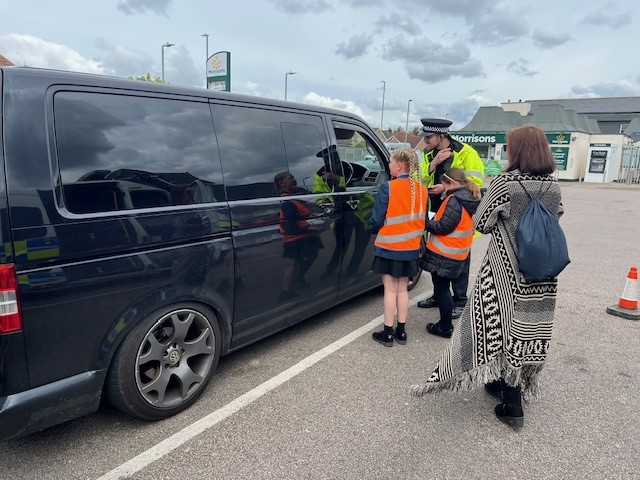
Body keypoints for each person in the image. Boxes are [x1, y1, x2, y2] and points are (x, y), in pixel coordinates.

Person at [409, 124, 564, 430]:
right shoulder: (553, 184)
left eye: (509, 146)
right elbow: (557, 215)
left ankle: (512, 404)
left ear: (519, 150)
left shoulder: (506, 183)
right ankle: (502, 381)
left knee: (497, 326)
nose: (506, 151)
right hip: (543, 275)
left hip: (506, 272)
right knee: (525, 330)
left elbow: (482, 222)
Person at [417, 118, 484, 320]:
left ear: (441, 136)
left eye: (428, 137)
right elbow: (419, 180)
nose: (425, 141)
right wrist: (433, 165)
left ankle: (460, 301)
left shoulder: (467, 153)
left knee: (459, 262)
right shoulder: (428, 155)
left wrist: (447, 189)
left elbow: (476, 184)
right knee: (437, 256)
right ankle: (439, 295)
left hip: (459, 215)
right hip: (437, 211)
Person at [370, 149, 427, 347]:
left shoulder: (388, 187)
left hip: (389, 247)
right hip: (410, 248)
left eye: (390, 162)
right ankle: (401, 331)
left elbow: (377, 219)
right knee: (403, 289)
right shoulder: (422, 189)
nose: (389, 165)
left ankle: (387, 333)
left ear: (399, 165)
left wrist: (370, 227)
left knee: (389, 290)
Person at [421, 167, 481, 338]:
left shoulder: (454, 200)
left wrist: (424, 221)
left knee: (442, 290)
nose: (443, 188)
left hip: (444, 253)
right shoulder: (469, 197)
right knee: (444, 289)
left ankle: (445, 327)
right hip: (457, 252)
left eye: (444, 184)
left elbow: (443, 227)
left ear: (452, 183)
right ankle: (444, 324)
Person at [275, 171, 322, 301]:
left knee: (308, 256)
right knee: (294, 263)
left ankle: (297, 280)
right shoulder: (287, 201)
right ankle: (286, 291)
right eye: (290, 178)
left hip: (301, 237)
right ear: (282, 183)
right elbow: (290, 225)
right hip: (295, 238)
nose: (294, 180)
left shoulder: (290, 198)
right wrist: (308, 227)